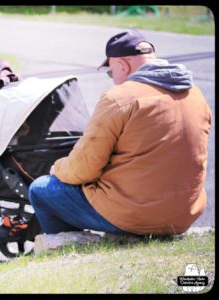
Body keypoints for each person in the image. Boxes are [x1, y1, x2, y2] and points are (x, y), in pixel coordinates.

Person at [28, 29, 212, 236]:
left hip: (137, 215)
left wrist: (58, 168)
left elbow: (84, 169)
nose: (113, 79)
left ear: (123, 65)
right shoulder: (195, 94)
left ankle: (68, 248)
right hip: (185, 214)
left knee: (41, 189)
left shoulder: (120, 98)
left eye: (111, 72)